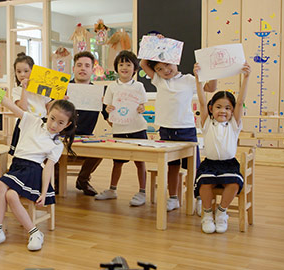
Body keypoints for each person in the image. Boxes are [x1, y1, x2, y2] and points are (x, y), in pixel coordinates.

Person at [0, 97, 77, 251]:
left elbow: (48, 168)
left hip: (32, 171)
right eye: (52, 118)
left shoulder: (57, 145)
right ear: (48, 112)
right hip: (17, 167)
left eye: (60, 123)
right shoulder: (32, 121)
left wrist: (43, 193)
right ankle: (35, 232)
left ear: (67, 124)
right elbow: (8, 104)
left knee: (1, 184)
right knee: (10, 196)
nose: (54, 125)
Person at [139, 34, 217, 211]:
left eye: (167, 65)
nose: (165, 70)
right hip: (166, 130)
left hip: (186, 130)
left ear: (175, 61)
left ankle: (199, 198)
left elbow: (211, 88)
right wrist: (156, 44)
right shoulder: (158, 81)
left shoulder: (189, 79)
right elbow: (143, 64)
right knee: (172, 167)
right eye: (159, 68)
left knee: (193, 168)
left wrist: (211, 72)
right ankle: (173, 197)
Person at [194, 62, 251, 233]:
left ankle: (221, 212)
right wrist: (198, 78)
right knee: (205, 184)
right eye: (218, 107)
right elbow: (202, 102)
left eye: (228, 108)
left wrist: (246, 77)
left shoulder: (234, 124)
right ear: (212, 109)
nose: (223, 111)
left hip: (229, 164)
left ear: (233, 111)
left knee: (234, 183)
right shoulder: (207, 123)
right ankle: (207, 213)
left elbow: (240, 101)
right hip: (209, 164)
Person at [96, 51, 148, 206]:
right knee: (117, 162)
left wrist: (141, 109)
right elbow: (107, 107)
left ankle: (142, 191)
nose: (124, 67)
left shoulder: (139, 86)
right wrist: (109, 109)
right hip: (119, 129)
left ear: (135, 68)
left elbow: (142, 105)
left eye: (128, 64)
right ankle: (112, 189)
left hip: (137, 128)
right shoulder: (112, 87)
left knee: (140, 162)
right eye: (121, 64)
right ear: (116, 68)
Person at [56, 51, 108, 196]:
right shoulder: (62, 89)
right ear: (73, 69)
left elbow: (110, 119)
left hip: (85, 138)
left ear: (92, 70)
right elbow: (48, 115)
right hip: (62, 136)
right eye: (79, 65)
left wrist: (109, 106)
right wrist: (59, 103)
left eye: (87, 66)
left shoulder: (98, 92)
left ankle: (83, 180)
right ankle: (56, 181)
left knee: (101, 149)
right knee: (52, 143)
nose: (82, 69)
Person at [8, 52, 52, 155]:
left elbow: (48, 107)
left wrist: (60, 99)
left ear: (33, 71)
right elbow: (22, 108)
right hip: (25, 124)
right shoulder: (17, 90)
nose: (22, 74)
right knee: (24, 152)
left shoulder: (41, 89)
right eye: (18, 72)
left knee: (41, 153)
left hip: (41, 123)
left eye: (26, 71)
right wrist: (24, 89)